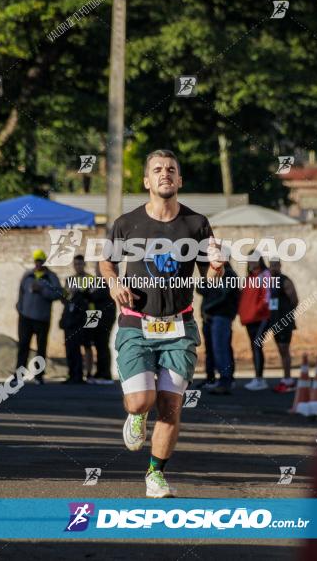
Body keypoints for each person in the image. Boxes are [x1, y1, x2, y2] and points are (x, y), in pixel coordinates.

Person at [99, 149, 224, 498]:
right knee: (142, 400)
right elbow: (107, 263)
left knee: (170, 406)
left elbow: (210, 284)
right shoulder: (127, 224)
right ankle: (136, 416)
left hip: (179, 327)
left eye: (171, 169)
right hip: (136, 323)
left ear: (180, 180)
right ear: (147, 181)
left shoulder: (196, 224)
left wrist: (216, 266)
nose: (165, 174)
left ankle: (155, 475)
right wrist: (113, 283)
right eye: (157, 170)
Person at [15, 249, 63, 384]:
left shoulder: (51, 277)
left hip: (42, 318)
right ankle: (19, 375)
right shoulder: (28, 275)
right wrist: (20, 308)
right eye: (36, 261)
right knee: (23, 346)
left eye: (40, 261)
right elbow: (21, 293)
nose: (38, 264)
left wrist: (42, 290)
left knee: (41, 348)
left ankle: (39, 376)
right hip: (25, 317)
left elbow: (58, 294)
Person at [196, 259, 240, 394]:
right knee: (210, 349)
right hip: (208, 317)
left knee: (221, 348)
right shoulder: (211, 272)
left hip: (221, 316)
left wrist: (208, 309)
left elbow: (224, 295)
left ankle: (226, 380)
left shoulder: (229, 275)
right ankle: (211, 378)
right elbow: (200, 289)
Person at [238, 253, 271, 391]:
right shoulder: (249, 278)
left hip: (261, 317)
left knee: (257, 345)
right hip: (249, 319)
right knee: (254, 347)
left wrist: (257, 310)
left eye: (254, 260)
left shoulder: (265, 275)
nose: (251, 262)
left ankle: (260, 379)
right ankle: (257, 378)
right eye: (249, 260)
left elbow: (267, 296)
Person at [268, 257, 299, 393]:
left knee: (284, 349)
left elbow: (294, 300)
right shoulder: (269, 281)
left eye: (275, 265)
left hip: (284, 321)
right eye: (271, 265)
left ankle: (288, 379)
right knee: (281, 351)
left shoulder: (285, 280)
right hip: (274, 321)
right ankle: (286, 378)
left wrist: (286, 315)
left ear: (280, 266)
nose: (273, 268)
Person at [60, 254, 92, 384]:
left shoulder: (91, 279)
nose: (78, 266)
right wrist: (69, 293)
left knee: (88, 345)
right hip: (73, 319)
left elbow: (93, 297)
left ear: (84, 264)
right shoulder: (70, 280)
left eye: (80, 264)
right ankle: (73, 373)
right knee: (72, 346)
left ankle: (89, 374)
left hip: (88, 316)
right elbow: (64, 300)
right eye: (76, 264)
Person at [87, 262, 115, 384]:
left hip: (105, 318)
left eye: (99, 268)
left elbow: (93, 295)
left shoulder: (108, 282)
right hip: (94, 317)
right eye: (96, 268)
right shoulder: (95, 282)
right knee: (97, 346)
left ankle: (106, 374)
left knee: (103, 345)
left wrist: (87, 294)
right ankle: (98, 372)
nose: (97, 270)